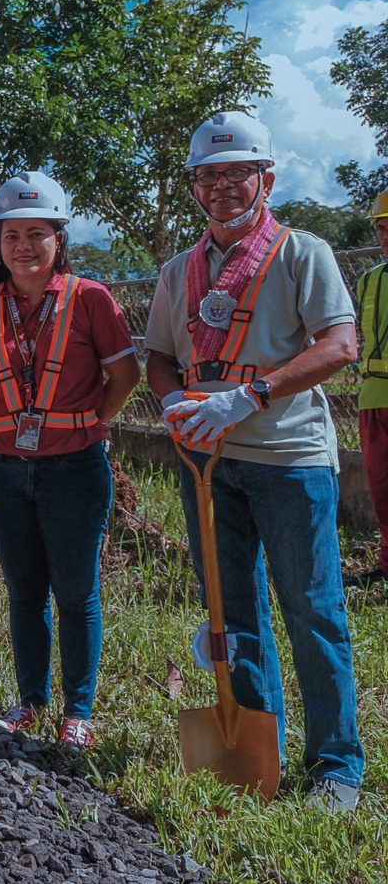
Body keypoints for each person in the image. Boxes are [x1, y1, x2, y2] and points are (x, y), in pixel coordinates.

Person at [147, 111, 364, 812]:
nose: (222, 187)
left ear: (265, 178)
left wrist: (251, 395)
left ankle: (336, 764)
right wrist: (176, 401)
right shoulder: (178, 271)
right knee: (230, 612)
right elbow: (157, 357)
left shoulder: (304, 253)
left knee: (312, 609)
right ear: (193, 189)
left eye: (236, 172)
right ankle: (252, 743)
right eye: (207, 176)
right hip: (206, 460)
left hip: (288, 460)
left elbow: (339, 346)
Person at [0, 172, 139, 751]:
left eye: (37, 234)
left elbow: (125, 375)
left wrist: (88, 420)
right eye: (12, 236)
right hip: (5, 466)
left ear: (59, 238)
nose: (24, 247)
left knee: (76, 591)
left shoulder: (91, 299)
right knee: (23, 588)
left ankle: (77, 710)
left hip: (75, 466)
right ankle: (30, 702)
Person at [348, 187, 388, 588]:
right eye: (380, 228)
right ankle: (386, 565)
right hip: (373, 395)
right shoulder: (368, 280)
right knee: (380, 488)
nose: (385, 236)